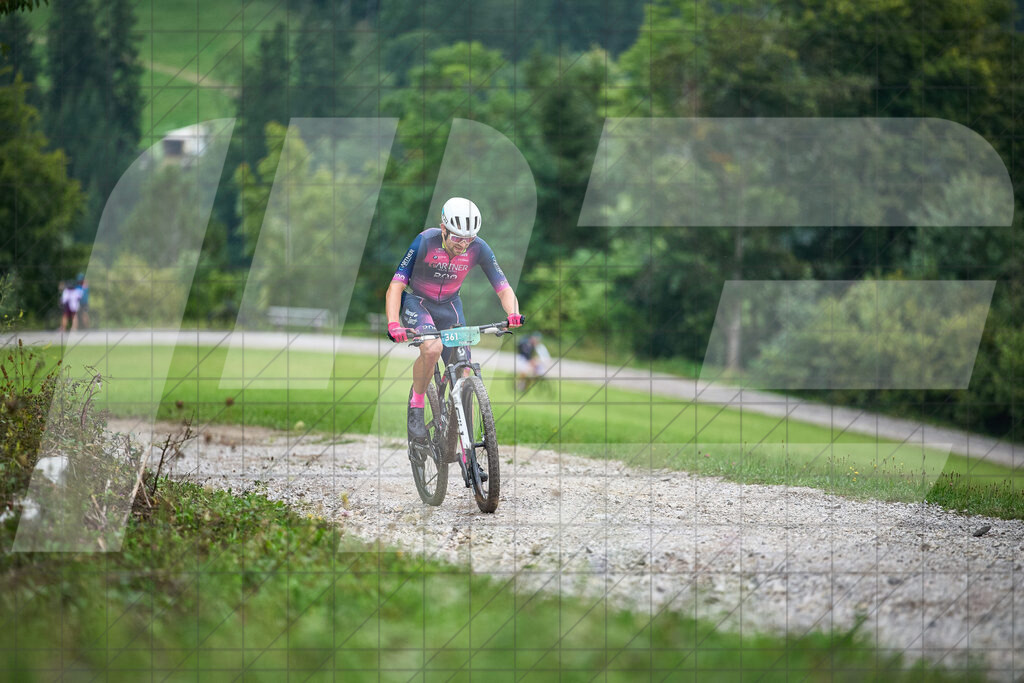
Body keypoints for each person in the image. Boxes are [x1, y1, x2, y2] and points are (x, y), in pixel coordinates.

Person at [385, 197, 524, 445]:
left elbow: (502, 287)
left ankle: (467, 450)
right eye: (457, 237)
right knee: (432, 348)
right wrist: (394, 323)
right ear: (443, 228)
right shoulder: (425, 242)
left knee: (465, 370)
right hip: (418, 303)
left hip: (450, 307)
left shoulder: (479, 248)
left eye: (468, 238)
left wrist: (513, 312)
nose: (463, 244)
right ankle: (417, 404)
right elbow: (396, 286)